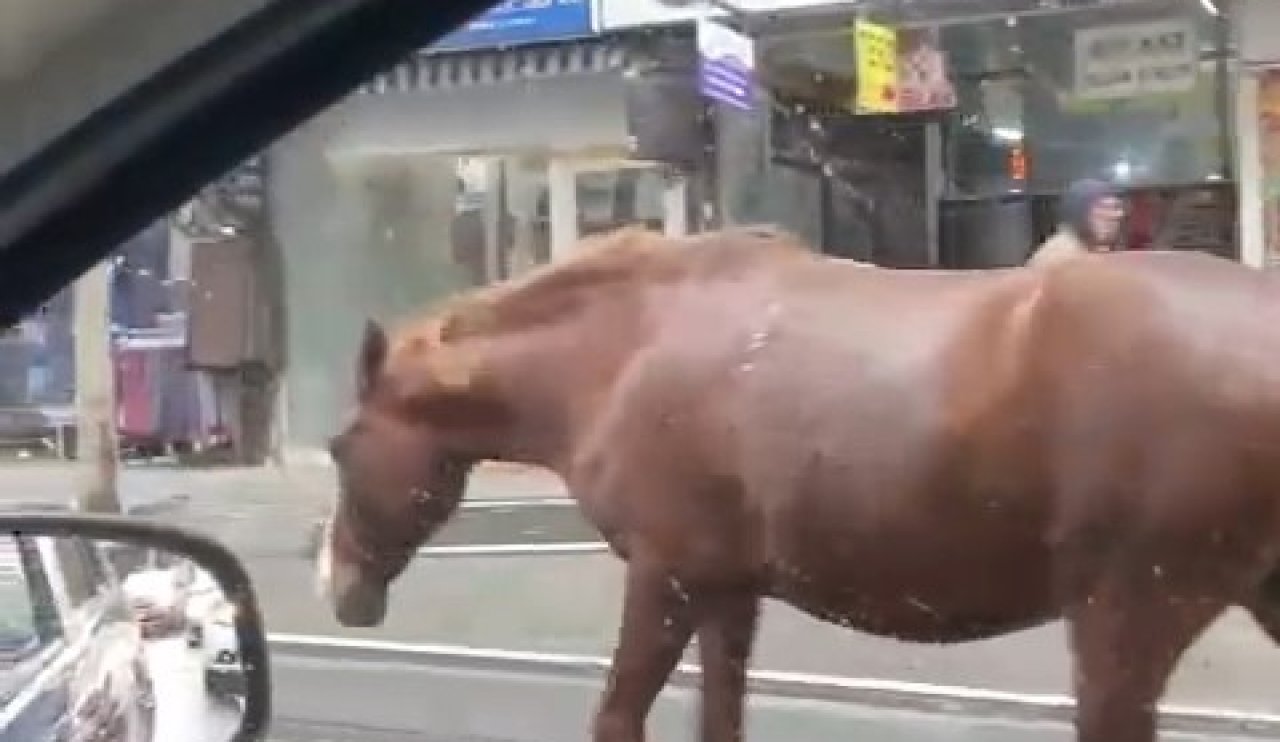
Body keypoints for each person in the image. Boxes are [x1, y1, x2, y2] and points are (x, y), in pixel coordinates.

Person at [1027, 178, 1126, 269]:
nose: (1115, 215)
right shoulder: (1060, 254)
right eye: (1103, 207)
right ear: (1079, 212)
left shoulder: (1095, 247)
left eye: (1116, 207)